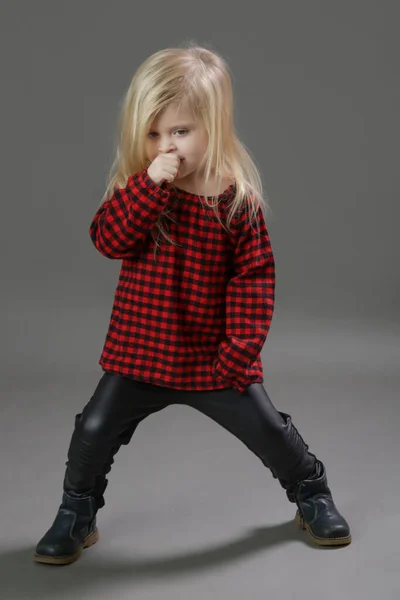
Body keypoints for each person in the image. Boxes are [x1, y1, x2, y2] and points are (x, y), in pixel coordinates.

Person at [34, 43, 351, 566]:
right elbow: (108, 239)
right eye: (154, 134)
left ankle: (311, 492)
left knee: (270, 430)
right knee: (93, 429)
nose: (166, 146)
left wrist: (237, 354)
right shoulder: (141, 189)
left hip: (212, 359)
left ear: (214, 126)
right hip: (141, 356)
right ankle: (77, 512)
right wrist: (149, 186)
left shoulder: (236, 201)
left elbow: (254, 283)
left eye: (179, 132)